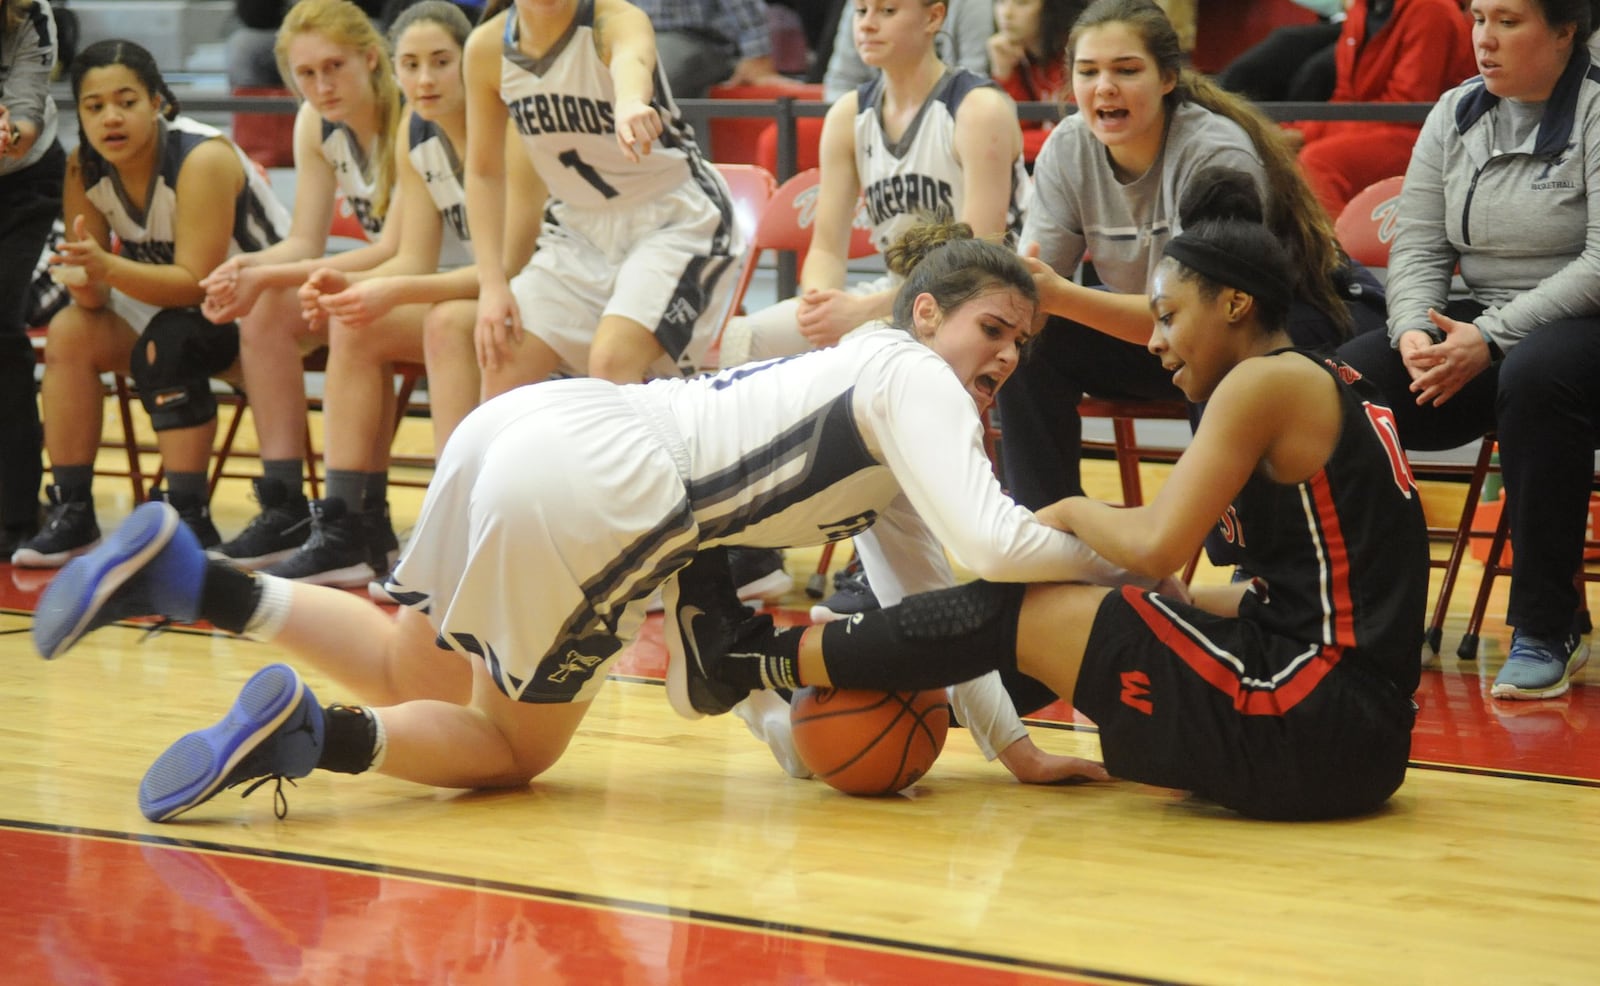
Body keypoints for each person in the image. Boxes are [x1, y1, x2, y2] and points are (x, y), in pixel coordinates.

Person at [675, 217, 1431, 822]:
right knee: (1105, 610)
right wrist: (1185, 600)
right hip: (1356, 729)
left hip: (1317, 717)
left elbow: (1154, 542)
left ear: (1236, 304)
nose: (1157, 340)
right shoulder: (1320, 379)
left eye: (1167, 316)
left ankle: (750, 659)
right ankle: (772, 667)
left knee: (1024, 610)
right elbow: (1292, 597)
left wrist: (1067, 506)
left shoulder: (1262, 384)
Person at [996, 0, 1384, 514]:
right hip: (1167, 338)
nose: (1104, 87)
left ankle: (1258, 562)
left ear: (1167, 78)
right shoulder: (1068, 147)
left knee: (1221, 349)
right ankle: (1044, 534)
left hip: (1282, 326)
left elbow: (1206, 321)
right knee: (1030, 340)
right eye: (1087, 72)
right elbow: (1038, 287)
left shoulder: (1215, 153)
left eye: (1126, 70)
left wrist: (1060, 296)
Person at [1335, 0, 1600, 701]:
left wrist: (1490, 337)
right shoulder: (1456, 113)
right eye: (1479, 16)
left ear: (1567, 29)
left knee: (1539, 377)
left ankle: (1548, 627)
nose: (1484, 37)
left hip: (1582, 329)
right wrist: (1412, 336)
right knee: (1342, 380)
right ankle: (1370, 611)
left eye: (1509, 21)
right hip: (1478, 334)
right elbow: (1419, 245)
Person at [265, 0, 538, 586]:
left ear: (472, 61)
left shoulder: (512, 123)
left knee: (444, 321)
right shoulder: (416, 129)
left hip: (545, 294)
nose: (424, 79)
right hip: (479, 297)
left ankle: (459, 524)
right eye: (411, 64)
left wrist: (387, 290)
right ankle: (349, 528)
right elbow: (410, 255)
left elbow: (512, 270)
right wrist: (354, 288)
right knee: (355, 323)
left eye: (441, 62)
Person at [10, 40, 292, 568]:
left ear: (158, 102)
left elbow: (195, 282)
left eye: (126, 101)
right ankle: (72, 511)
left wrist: (106, 268)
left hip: (267, 314)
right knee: (72, 329)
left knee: (172, 338)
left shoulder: (201, 157)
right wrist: (82, 275)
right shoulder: (83, 168)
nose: (110, 117)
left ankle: (189, 515)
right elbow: (94, 292)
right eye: (94, 106)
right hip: (183, 315)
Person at [198, 0, 406, 574]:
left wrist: (274, 273)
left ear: (371, 58)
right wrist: (249, 268)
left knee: (348, 311)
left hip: (438, 277)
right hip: (394, 278)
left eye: (334, 67)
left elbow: (401, 250)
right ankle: (287, 506)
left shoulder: (412, 112)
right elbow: (303, 242)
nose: (322, 85)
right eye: (306, 74)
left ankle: (360, 518)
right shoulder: (315, 120)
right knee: (264, 309)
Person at [1286, 0, 1475, 218]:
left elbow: (1405, 107)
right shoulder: (1361, 8)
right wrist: (1302, 133)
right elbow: (1346, 98)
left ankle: (1337, 250)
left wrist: (1307, 137)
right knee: (1283, 153)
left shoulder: (1432, 9)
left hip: (1430, 135)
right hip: (1382, 126)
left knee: (1318, 162)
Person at [0, 0, 61, 560]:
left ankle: (17, 512)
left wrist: (11, 130)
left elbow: (23, 118)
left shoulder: (28, 11)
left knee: (1, 331)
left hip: (27, 190)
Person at [824, 0, 993, 100]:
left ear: (934, 17)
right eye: (861, 11)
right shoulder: (845, 114)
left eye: (888, 10)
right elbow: (840, 82)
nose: (866, 24)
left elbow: (975, 76)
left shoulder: (975, 111)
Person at [987, 0, 1086, 163]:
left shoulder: (1079, 53)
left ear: (1050, 8)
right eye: (1001, 2)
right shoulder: (1017, 55)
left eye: (1022, 3)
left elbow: (1078, 137)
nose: (1006, 13)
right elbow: (1014, 125)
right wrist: (1004, 73)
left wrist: (1004, 144)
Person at [633, 0, 793, 98]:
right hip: (635, 37)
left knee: (653, 72)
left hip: (698, 39)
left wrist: (757, 56)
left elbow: (743, 5)